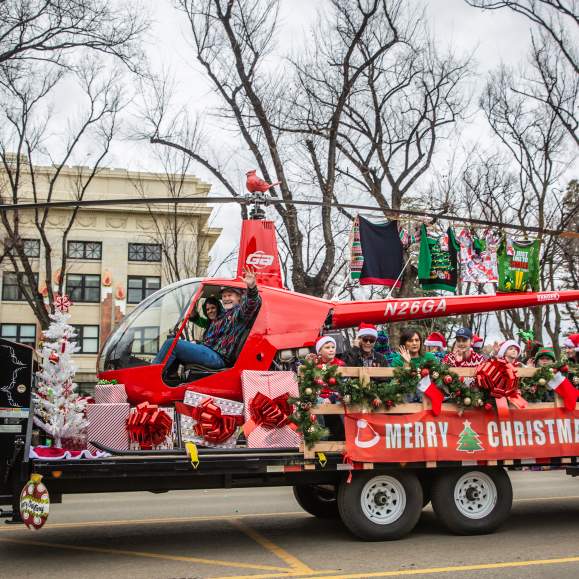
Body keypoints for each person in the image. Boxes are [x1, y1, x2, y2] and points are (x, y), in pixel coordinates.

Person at [154, 269, 261, 370]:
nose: (226, 298)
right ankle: (171, 378)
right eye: (224, 296)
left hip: (219, 357)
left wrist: (251, 288)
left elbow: (250, 305)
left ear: (239, 298)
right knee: (176, 342)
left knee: (171, 344)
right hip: (211, 352)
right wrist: (196, 342)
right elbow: (205, 329)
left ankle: (150, 377)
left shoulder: (238, 313)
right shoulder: (221, 317)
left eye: (230, 295)